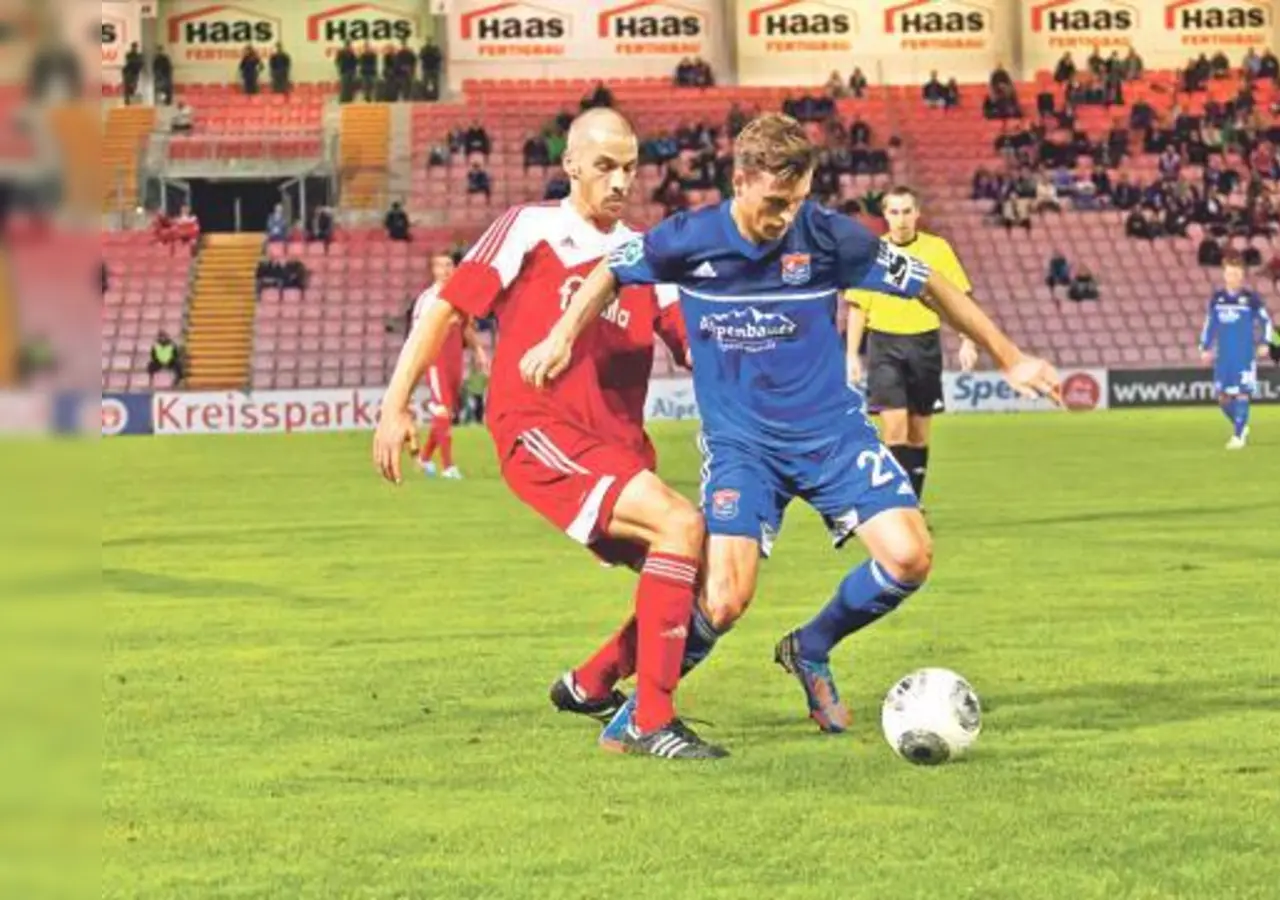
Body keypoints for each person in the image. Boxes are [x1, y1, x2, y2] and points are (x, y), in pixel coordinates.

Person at [524, 113, 1062, 739]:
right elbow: (614, 267)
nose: (786, 217)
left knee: (911, 556)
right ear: (740, 179)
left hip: (832, 436)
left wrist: (1010, 355)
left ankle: (810, 646)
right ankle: (641, 711)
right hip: (742, 447)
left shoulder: (829, 237)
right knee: (724, 599)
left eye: (798, 200)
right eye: (777, 202)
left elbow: (930, 285)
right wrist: (564, 335)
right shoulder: (689, 238)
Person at [372, 108, 722, 760]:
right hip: (539, 430)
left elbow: (698, 350)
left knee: (716, 580)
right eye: (605, 166)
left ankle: (590, 684)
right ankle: (652, 719)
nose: (620, 181)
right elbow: (447, 308)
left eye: (630, 168)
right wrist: (395, 405)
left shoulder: (647, 254)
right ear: (570, 166)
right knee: (680, 525)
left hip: (618, 448)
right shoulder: (533, 228)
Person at [842, 186, 979, 503]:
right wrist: (851, 354)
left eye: (907, 211)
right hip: (884, 346)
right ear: (885, 215)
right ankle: (896, 507)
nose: (901, 219)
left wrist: (967, 340)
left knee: (919, 434)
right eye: (894, 212)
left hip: (925, 346)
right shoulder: (872, 254)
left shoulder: (937, 249)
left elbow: (959, 299)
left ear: (917, 214)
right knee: (895, 429)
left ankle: (913, 506)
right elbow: (858, 307)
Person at [407, 253, 490, 480]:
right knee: (442, 409)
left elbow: (467, 328)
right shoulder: (428, 300)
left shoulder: (460, 296)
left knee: (445, 414)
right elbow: (417, 335)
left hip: (455, 360)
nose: (445, 270)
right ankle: (448, 467)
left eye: (448, 265)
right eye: (440, 266)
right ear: (433, 270)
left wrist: (480, 351)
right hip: (435, 359)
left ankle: (423, 460)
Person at [1198, 258, 1272, 450]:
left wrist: (1265, 342)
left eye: (1237, 274)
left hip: (1244, 355)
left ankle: (1238, 436)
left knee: (1242, 394)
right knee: (1223, 398)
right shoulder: (1218, 298)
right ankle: (1240, 425)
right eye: (1230, 273)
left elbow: (1266, 322)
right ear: (1224, 275)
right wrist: (1205, 347)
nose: (1233, 277)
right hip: (1224, 356)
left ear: (1242, 276)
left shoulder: (1251, 299)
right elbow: (1210, 324)